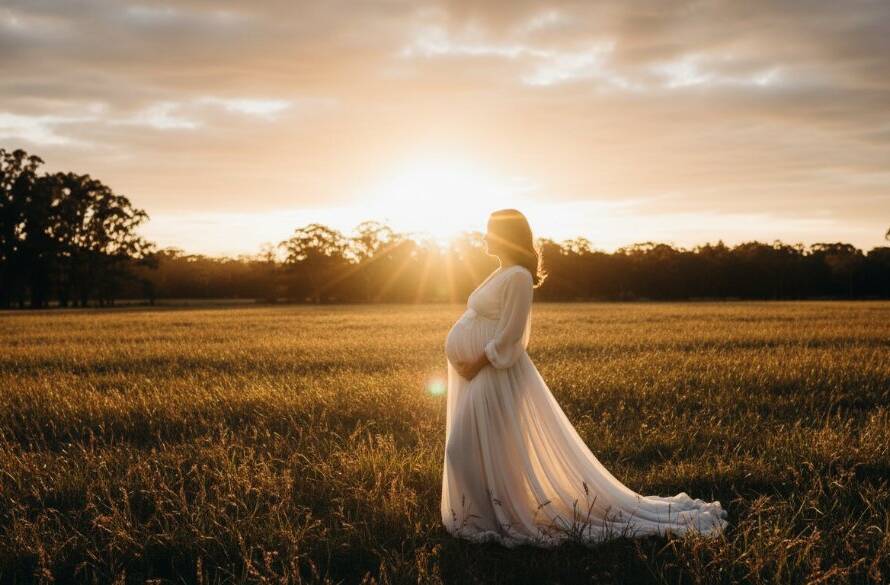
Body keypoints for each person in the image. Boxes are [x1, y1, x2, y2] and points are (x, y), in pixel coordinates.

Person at [441, 208, 728, 547]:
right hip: (481, 373)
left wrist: (476, 361)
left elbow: (512, 335)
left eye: (491, 230)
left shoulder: (518, 275)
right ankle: (488, 514)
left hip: (494, 374)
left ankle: (501, 516)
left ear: (508, 236)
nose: (485, 236)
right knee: (474, 448)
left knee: (461, 448)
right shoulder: (500, 271)